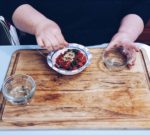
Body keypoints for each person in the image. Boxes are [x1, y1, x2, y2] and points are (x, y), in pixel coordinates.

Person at [1, 0, 150, 68]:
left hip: (110, 49)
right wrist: (39, 24)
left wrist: (126, 33)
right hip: (43, 50)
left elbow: (140, 4)